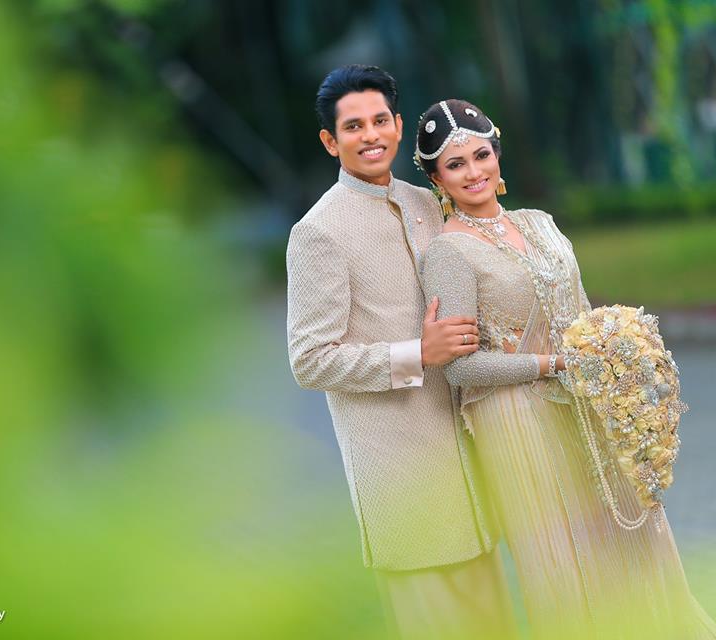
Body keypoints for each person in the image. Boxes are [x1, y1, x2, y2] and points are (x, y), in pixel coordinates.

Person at [417, 98, 716, 640]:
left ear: (497, 155)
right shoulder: (448, 253)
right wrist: (552, 363)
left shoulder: (540, 223)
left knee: (631, 529)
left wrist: (614, 354)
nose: (473, 171)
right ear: (437, 179)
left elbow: (578, 312)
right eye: (455, 164)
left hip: (584, 397)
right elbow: (460, 370)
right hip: (517, 421)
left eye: (481, 155)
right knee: (567, 557)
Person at [286, 66, 519, 640]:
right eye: (353, 126)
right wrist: (418, 352)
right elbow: (309, 359)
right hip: (401, 474)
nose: (370, 135)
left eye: (380, 121)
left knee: (495, 621)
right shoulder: (319, 231)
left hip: (471, 459)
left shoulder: (428, 202)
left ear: (396, 124)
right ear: (330, 141)